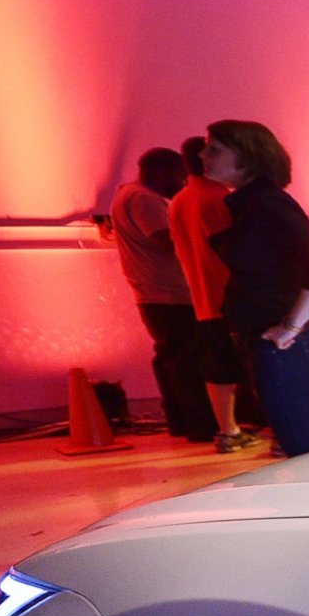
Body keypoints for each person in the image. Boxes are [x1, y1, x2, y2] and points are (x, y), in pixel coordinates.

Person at [202, 119, 309, 456]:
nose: (204, 154)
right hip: (272, 342)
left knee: (306, 453)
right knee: (301, 450)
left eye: (215, 148)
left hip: (286, 346)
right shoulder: (249, 204)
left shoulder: (268, 204)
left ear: (247, 157)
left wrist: (290, 327)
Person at [103, 147, 216, 445]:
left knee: (170, 359)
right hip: (170, 293)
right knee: (188, 361)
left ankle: (179, 421)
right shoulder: (145, 199)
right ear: (161, 173)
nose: (182, 183)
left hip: (151, 293)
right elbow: (165, 240)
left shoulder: (125, 194)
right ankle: (200, 426)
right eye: (179, 176)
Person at [167, 136, 254, 451]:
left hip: (202, 296)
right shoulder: (221, 200)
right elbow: (240, 251)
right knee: (258, 365)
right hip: (233, 294)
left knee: (218, 367)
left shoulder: (180, 200)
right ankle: (281, 430)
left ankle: (227, 430)